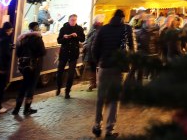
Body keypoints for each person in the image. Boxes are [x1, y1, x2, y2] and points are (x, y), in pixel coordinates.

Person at [91, 9, 135, 139]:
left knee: (101, 98)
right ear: (123, 17)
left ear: (112, 17)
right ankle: (109, 130)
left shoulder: (103, 29)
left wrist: (100, 61)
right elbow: (133, 49)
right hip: (119, 68)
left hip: (104, 67)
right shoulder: (127, 29)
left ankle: (97, 126)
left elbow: (94, 48)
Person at [13, 21, 47, 115]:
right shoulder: (37, 38)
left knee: (24, 84)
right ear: (36, 28)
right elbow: (43, 52)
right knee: (31, 86)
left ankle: (16, 108)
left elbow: (18, 53)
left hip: (24, 65)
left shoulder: (22, 38)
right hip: (34, 66)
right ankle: (27, 109)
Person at [56, 14, 85, 98]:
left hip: (73, 53)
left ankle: (67, 91)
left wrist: (76, 36)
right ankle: (58, 88)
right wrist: (64, 37)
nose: (73, 21)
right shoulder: (63, 28)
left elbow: (83, 39)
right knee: (59, 72)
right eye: (72, 20)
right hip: (64, 53)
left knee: (71, 74)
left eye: (75, 20)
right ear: (69, 20)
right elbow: (59, 41)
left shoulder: (79, 29)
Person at [83, 15, 105, 91]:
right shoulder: (92, 28)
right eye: (95, 20)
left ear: (100, 22)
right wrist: (85, 44)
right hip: (90, 51)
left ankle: (100, 84)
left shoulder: (103, 29)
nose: (94, 22)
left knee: (100, 68)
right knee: (91, 68)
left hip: (99, 52)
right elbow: (88, 37)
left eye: (96, 21)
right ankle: (92, 83)